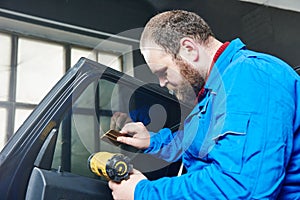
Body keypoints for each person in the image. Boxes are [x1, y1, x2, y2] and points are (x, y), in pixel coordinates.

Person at [108, 10, 300, 199]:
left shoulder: (252, 78)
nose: (162, 83)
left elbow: (241, 187)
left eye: (163, 72)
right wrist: (152, 141)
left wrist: (142, 193)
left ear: (189, 49)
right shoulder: (214, 89)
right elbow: (195, 143)